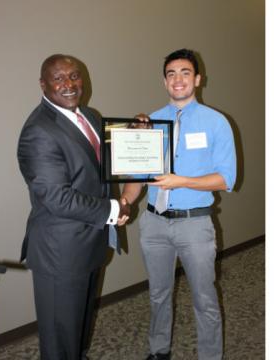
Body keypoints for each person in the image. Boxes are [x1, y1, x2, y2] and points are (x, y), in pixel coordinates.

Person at [121, 49, 236, 360]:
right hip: (154, 223)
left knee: (204, 298)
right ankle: (159, 351)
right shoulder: (150, 123)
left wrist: (180, 180)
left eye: (185, 72)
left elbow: (226, 178)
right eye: (171, 73)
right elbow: (137, 174)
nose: (178, 79)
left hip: (194, 224)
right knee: (159, 294)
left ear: (197, 79)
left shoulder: (216, 122)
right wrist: (125, 202)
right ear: (164, 81)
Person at [16, 54, 130, 360]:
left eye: (74, 76)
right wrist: (111, 210)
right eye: (58, 78)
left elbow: (99, 168)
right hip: (60, 254)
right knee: (59, 341)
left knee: (77, 332)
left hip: (88, 244)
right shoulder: (38, 131)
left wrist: (138, 133)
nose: (69, 84)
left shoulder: (90, 116)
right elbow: (57, 197)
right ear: (43, 84)